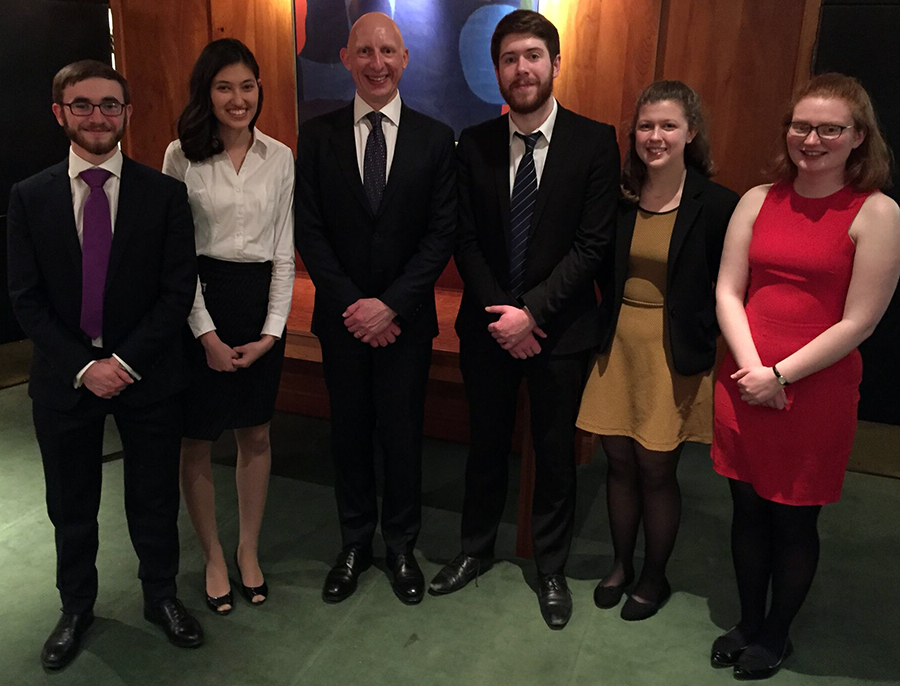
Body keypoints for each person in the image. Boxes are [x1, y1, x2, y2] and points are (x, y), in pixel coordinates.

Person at [7, 60, 203, 670]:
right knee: (71, 501)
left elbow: (177, 292)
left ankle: (161, 595)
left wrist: (121, 360)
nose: (98, 116)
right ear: (59, 112)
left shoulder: (165, 194)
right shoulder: (29, 197)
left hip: (147, 374)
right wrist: (84, 367)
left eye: (110, 104)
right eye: (83, 104)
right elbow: (24, 299)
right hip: (65, 380)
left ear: (127, 113)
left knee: (151, 497)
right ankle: (76, 606)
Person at [429, 10, 620, 630]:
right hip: (489, 328)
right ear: (498, 71)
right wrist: (503, 315)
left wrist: (531, 313)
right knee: (482, 444)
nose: (522, 69)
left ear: (555, 64)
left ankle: (551, 566)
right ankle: (473, 548)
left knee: (554, 450)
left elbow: (592, 245)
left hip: (559, 331)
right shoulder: (473, 143)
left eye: (533, 56)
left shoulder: (595, 142)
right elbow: (464, 239)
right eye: (510, 59)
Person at [710, 73, 900, 679]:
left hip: (813, 390)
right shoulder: (758, 198)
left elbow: (861, 320)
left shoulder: (876, 210)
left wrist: (781, 377)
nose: (811, 138)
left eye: (829, 128)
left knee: (793, 515)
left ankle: (775, 633)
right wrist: (752, 370)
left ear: (858, 137)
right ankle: (745, 620)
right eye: (801, 125)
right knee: (745, 506)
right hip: (742, 378)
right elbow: (727, 290)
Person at [295, 12, 456, 606]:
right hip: (340, 321)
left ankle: (401, 547)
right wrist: (354, 305)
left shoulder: (438, 139)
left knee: (402, 434)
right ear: (344, 58)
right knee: (350, 434)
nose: (377, 62)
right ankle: (355, 542)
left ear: (405, 58)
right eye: (364, 51)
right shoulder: (317, 135)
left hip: (406, 323)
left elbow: (441, 235)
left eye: (387, 51)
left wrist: (388, 306)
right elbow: (309, 230)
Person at [576, 81, 739, 621]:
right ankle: (622, 565)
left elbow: (732, 287)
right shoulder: (618, 198)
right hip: (616, 345)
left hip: (673, 354)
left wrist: (705, 332)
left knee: (656, 470)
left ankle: (654, 575)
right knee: (618, 464)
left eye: (668, 125)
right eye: (645, 125)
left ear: (691, 132)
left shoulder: (717, 204)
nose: (655, 136)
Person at [162, 39, 295, 614]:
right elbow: (178, 256)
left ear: (259, 88)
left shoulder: (280, 156)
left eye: (246, 86)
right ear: (206, 92)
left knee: (256, 434)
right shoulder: (180, 156)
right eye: (224, 87)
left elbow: (285, 253)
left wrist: (272, 332)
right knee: (196, 442)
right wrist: (206, 335)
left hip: (259, 303)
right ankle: (213, 555)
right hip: (199, 308)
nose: (238, 99)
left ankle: (246, 549)